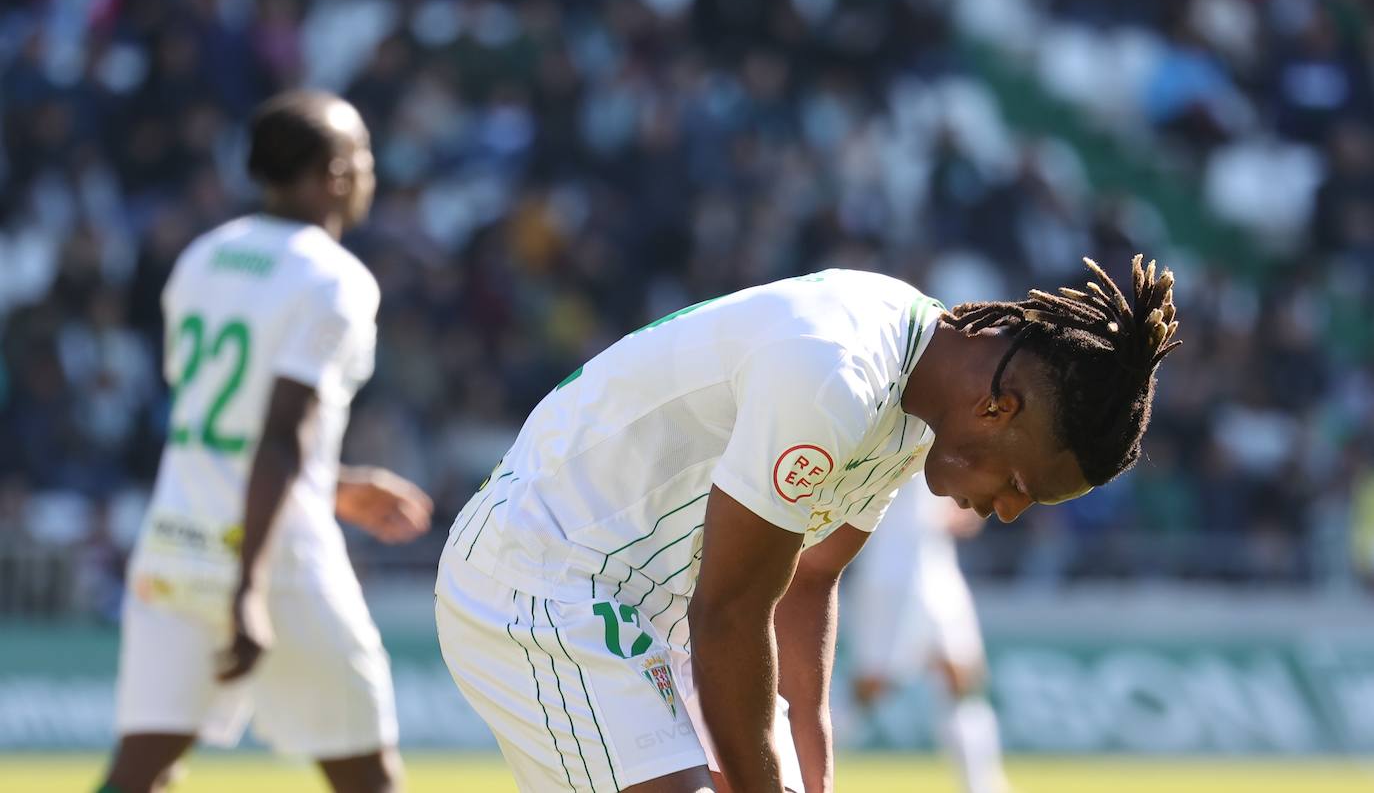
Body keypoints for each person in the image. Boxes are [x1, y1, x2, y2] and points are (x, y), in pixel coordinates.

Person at [434, 255, 1181, 792]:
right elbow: (730, 612)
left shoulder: (922, 403)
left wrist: (809, 743)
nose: (1009, 510)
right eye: (1020, 484)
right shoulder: (837, 374)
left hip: (656, 609)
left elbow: (810, 575)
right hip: (541, 577)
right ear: (998, 408)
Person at [99, 91, 432, 793]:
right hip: (275, 557)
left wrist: (333, 483)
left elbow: (228, 428)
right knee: (369, 777)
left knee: (139, 772)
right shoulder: (334, 279)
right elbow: (277, 438)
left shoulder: (202, 258)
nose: (372, 170)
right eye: (364, 155)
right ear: (338, 173)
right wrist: (246, 588)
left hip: (175, 541)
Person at [847, 475, 1011, 793]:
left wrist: (964, 509)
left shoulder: (947, 435)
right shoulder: (898, 430)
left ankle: (984, 785)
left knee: (962, 677)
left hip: (936, 565)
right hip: (892, 570)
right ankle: (804, 765)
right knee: (872, 685)